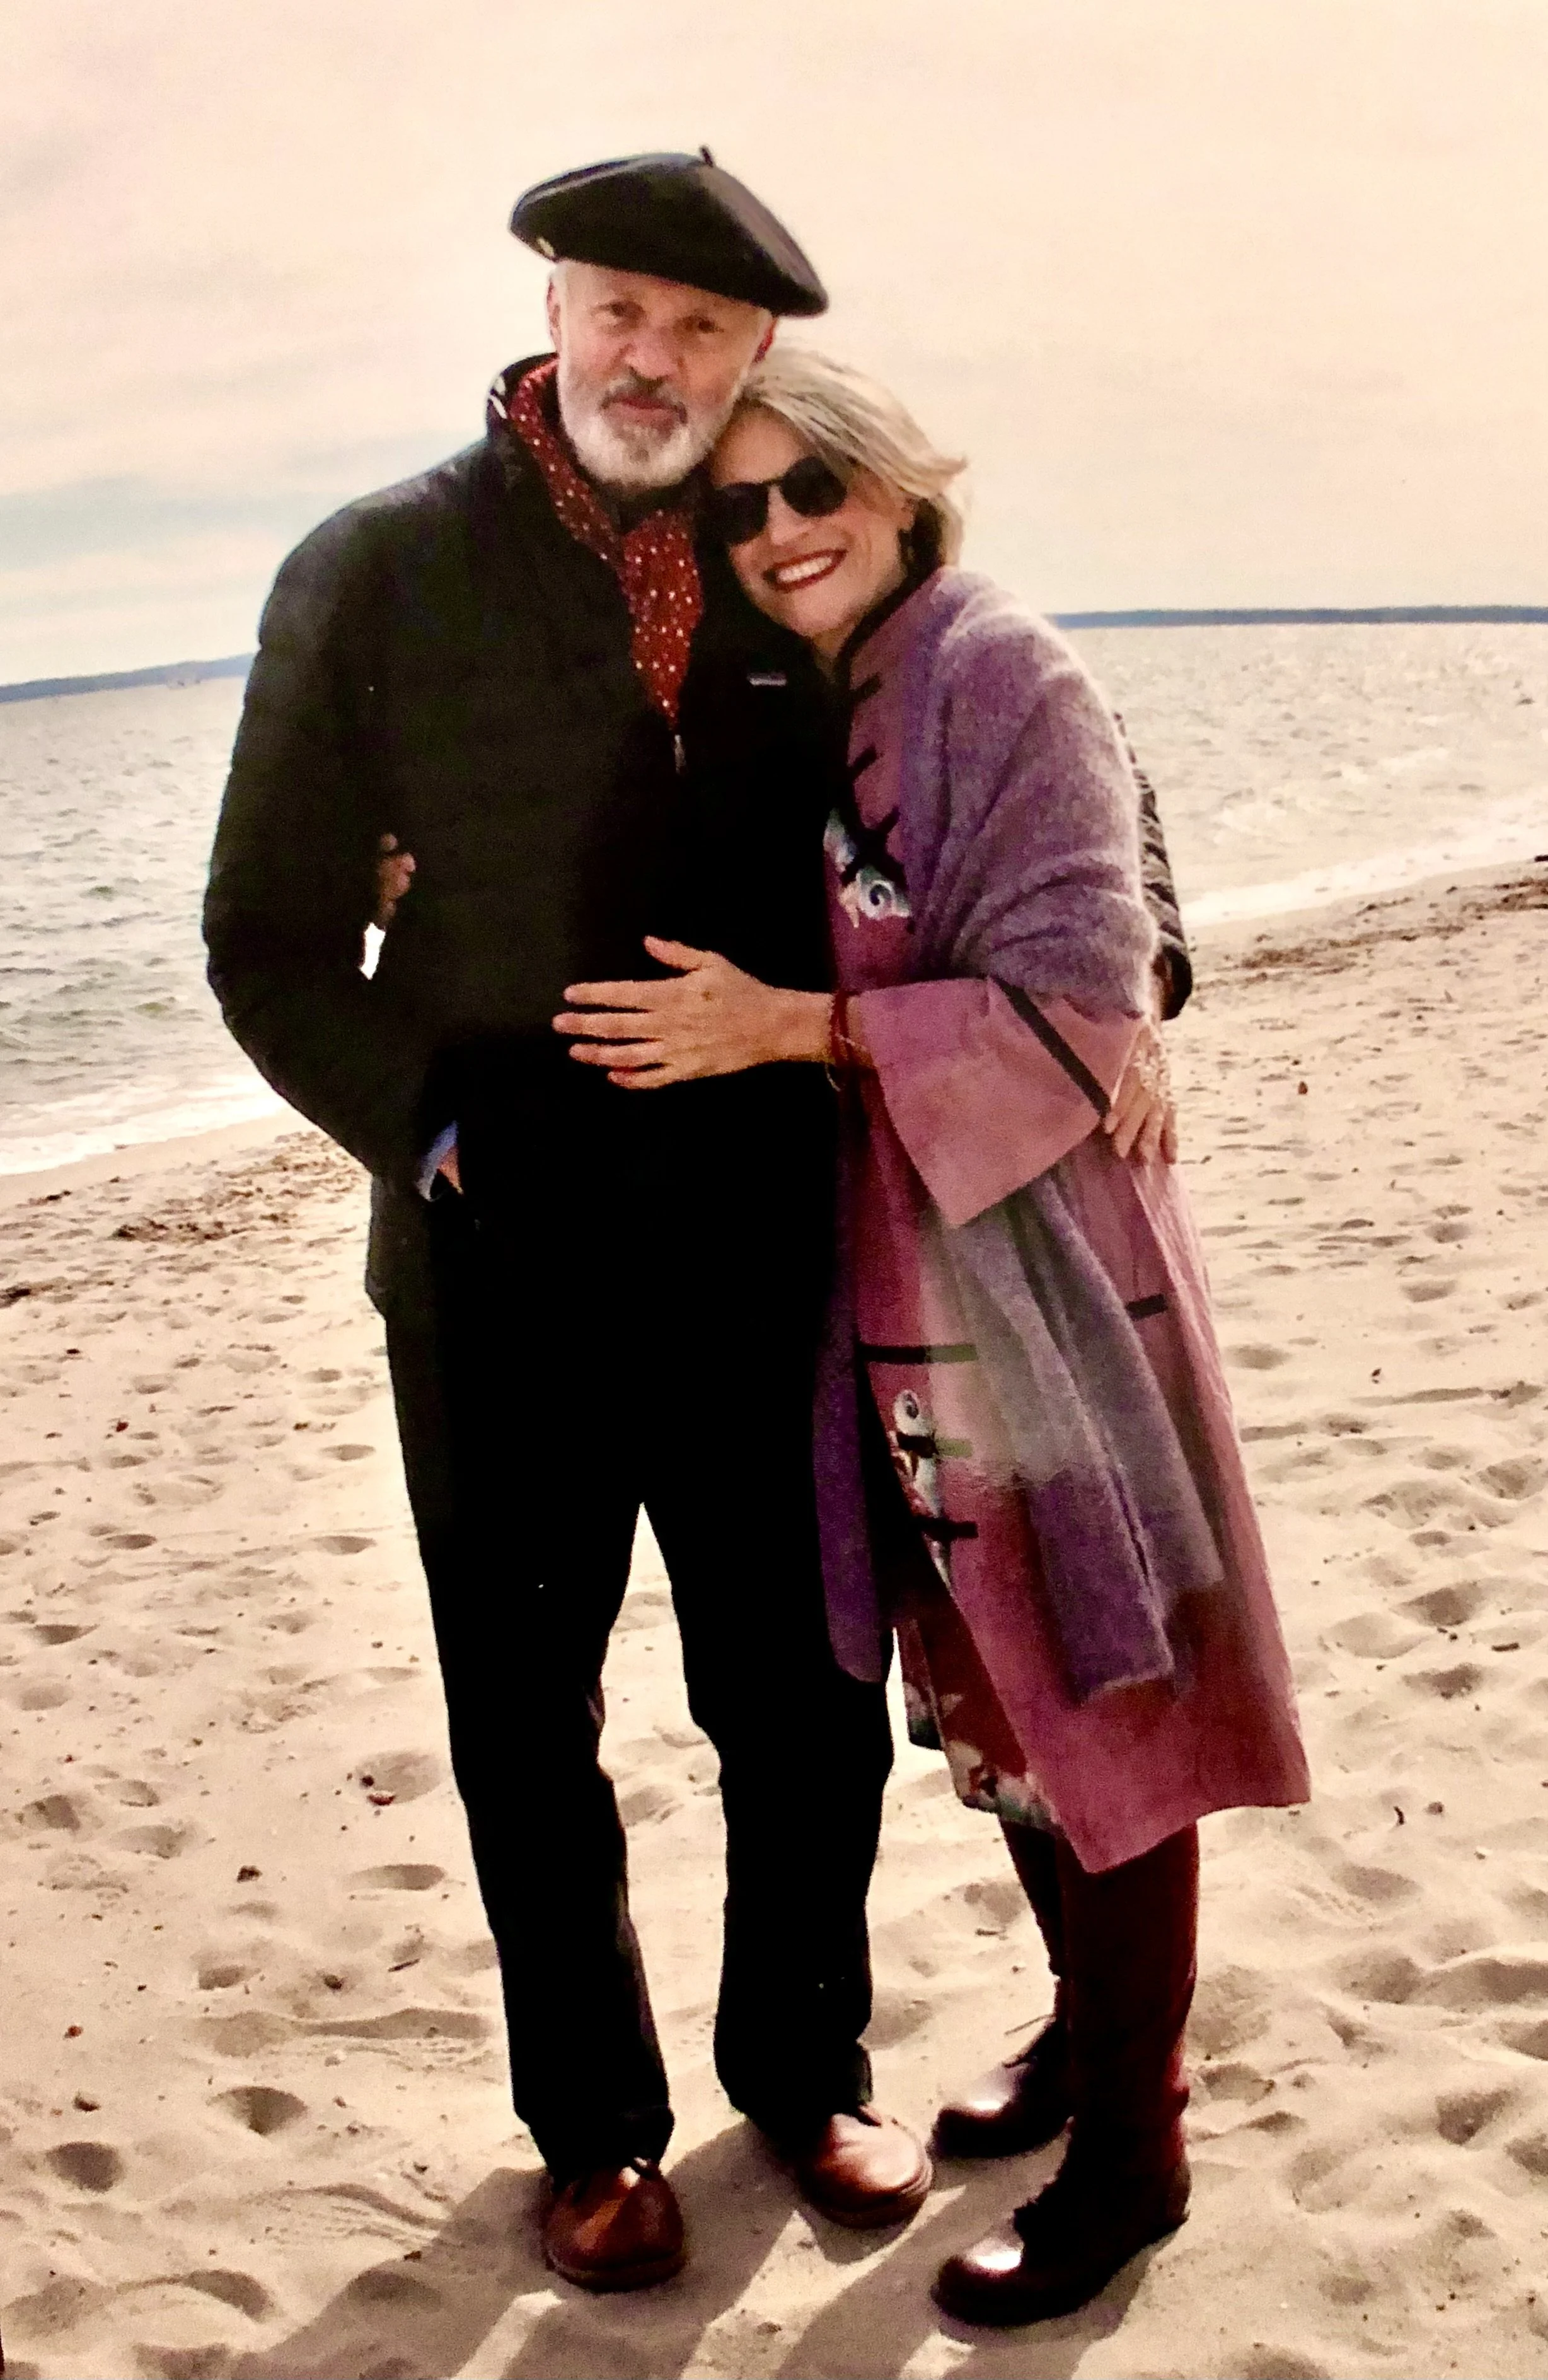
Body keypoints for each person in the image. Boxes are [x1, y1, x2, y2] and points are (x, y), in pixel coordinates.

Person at [204, 152, 933, 2293]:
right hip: (493, 1267)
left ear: (759, 356)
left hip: (763, 1247)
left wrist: (1123, 959)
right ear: (552, 303)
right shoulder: (375, 567)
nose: (658, 357)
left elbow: (996, 750)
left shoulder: (800, 558)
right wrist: (431, 1133)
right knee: (529, 1713)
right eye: (623, 308)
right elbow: (262, 942)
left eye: (704, 331)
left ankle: (805, 2070)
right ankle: (596, 2126)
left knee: (801, 1692)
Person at [555, 347, 1311, 2326]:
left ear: (899, 490)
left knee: (1106, 1684)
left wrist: (792, 1026)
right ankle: (1092, 2028)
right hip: (903, 1282)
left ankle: (1134, 2152)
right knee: (1003, 1696)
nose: (781, 532)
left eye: (815, 489)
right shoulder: (839, 691)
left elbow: (1075, 993)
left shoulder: (998, 663)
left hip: (1043, 1277)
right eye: (736, 510)